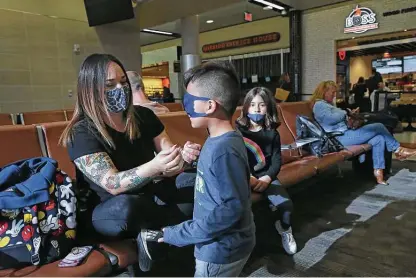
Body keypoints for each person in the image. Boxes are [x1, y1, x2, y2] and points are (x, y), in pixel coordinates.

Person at [60, 54, 201, 272]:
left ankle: (156, 237)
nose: (120, 88)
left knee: (193, 183)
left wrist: (181, 157)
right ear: (90, 90)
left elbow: (171, 162)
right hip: (109, 209)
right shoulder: (81, 132)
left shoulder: (143, 116)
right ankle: (167, 233)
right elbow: (112, 184)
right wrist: (155, 166)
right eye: (110, 85)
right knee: (128, 208)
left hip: (152, 196)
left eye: (123, 82)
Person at [140, 61, 255, 277]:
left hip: (220, 249)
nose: (185, 109)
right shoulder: (219, 141)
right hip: (218, 244)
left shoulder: (224, 149)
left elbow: (230, 209)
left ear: (210, 106)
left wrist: (177, 234)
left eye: (190, 101)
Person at [311, 81, 416, 185]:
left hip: (346, 134)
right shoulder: (319, 105)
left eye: (335, 93)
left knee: (379, 138)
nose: (334, 95)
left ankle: (378, 172)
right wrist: (346, 112)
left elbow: (336, 122)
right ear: (324, 91)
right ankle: (398, 150)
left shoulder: (328, 105)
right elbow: (331, 119)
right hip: (339, 139)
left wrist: (351, 116)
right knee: (378, 126)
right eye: (332, 92)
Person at [236, 87, 297, 255]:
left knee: (286, 206)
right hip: (243, 177)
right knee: (238, 211)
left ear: (268, 108)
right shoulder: (237, 131)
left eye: (261, 105)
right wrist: (248, 178)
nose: (256, 109)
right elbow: (235, 159)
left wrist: (268, 177)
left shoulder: (272, 133)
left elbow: (277, 160)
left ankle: (285, 229)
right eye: (252, 104)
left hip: (266, 176)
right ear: (246, 107)